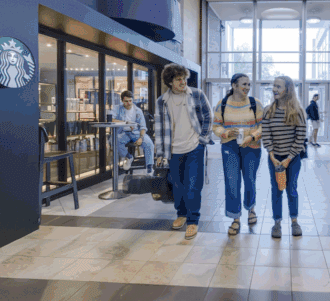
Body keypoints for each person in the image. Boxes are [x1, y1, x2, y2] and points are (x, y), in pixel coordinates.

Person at [154, 64, 212, 240]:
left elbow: (208, 116)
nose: (183, 82)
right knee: (177, 185)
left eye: (184, 78)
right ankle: (182, 214)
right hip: (173, 150)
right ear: (170, 82)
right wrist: (160, 153)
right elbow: (159, 128)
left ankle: (193, 220)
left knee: (193, 185)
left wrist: (202, 139)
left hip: (194, 147)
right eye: (178, 79)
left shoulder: (196, 94)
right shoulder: (162, 101)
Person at [212, 73, 262, 236]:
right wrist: (226, 133)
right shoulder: (222, 104)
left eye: (249, 84)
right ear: (234, 85)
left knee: (250, 179)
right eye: (244, 84)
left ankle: (251, 208)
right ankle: (235, 218)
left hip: (251, 146)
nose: (247, 87)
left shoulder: (255, 103)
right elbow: (216, 126)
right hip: (230, 146)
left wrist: (252, 137)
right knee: (232, 182)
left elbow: (263, 126)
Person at [260, 76, 307, 238]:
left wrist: (288, 158)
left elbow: (300, 137)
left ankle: (294, 221)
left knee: (291, 189)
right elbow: (266, 135)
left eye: (278, 86)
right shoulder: (268, 111)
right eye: (274, 86)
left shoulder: (297, 112)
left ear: (287, 90)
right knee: (276, 190)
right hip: (274, 158)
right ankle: (277, 223)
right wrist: (272, 155)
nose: (274, 89)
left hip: (292, 159)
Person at [111, 90, 154, 173]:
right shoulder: (118, 108)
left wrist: (141, 138)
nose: (129, 103)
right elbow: (111, 119)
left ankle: (149, 168)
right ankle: (129, 157)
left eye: (130, 100)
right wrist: (125, 122)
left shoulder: (138, 111)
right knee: (114, 141)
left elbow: (143, 127)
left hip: (136, 133)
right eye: (126, 101)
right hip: (123, 133)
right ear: (122, 101)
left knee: (149, 143)